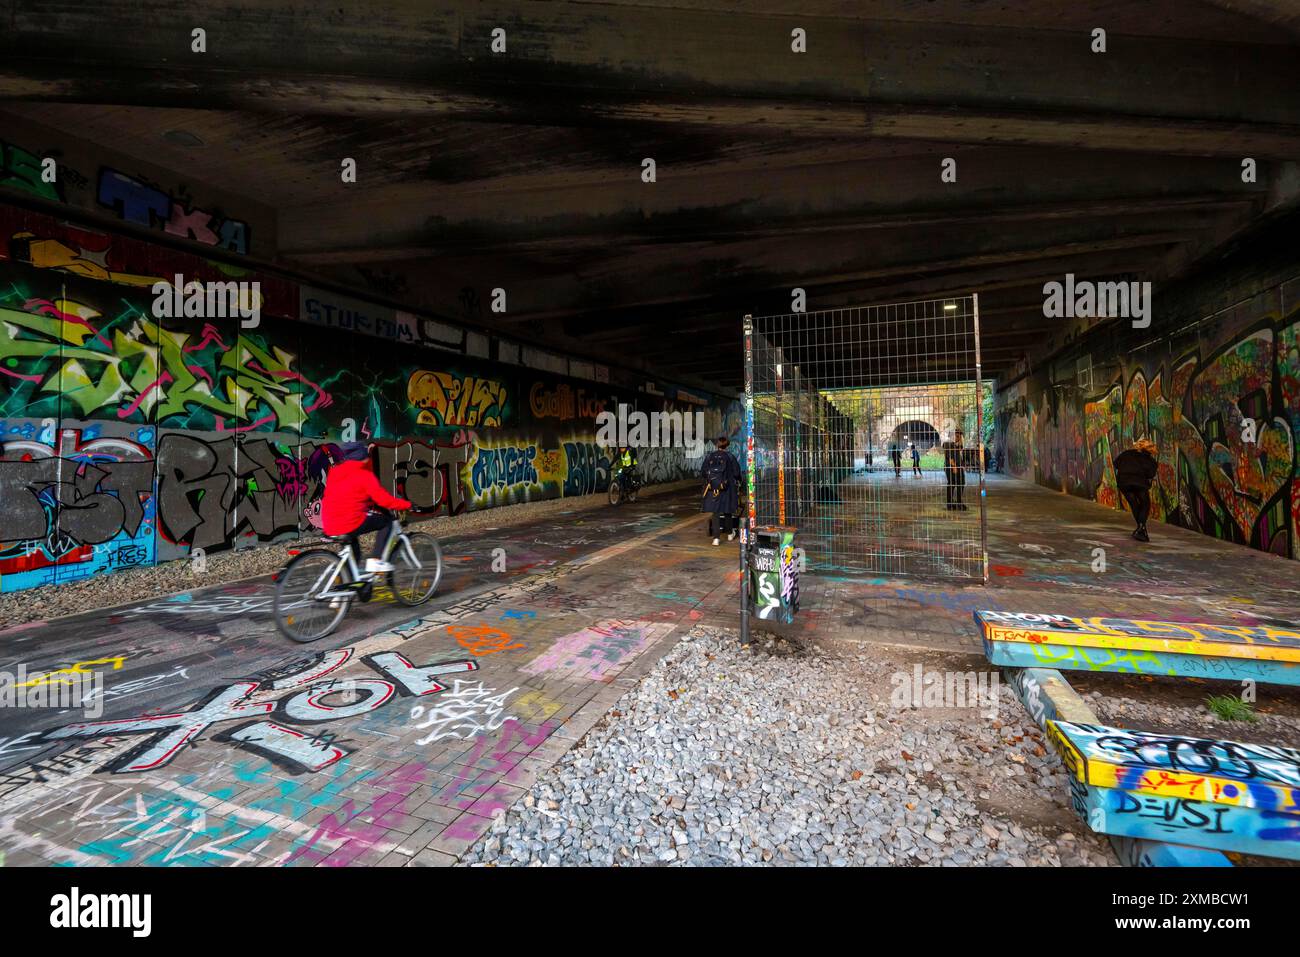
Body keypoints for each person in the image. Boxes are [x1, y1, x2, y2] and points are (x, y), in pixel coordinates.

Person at [320, 442, 413, 573]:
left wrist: (365, 457)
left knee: (354, 553)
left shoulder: (335, 471)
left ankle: (346, 580)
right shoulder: (365, 476)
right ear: (364, 457)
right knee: (387, 521)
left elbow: (353, 486)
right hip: (349, 522)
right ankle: (376, 560)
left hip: (330, 523)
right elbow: (384, 500)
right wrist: (407, 505)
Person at [1114, 438, 1159, 542]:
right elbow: (1150, 475)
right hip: (1139, 483)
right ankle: (1141, 528)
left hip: (1124, 482)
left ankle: (1141, 529)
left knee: (1134, 504)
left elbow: (1116, 464)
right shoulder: (1151, 461)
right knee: (1145, 504)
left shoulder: (1126, 453)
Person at [700, 436, 742, 545]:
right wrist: (739, 481)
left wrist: (713, 480)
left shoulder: (709, 456)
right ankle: (729, 534)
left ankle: (716, 538)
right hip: (727, 488)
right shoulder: (730, 456)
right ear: (727, 445)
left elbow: (703, 472)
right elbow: (737, 473)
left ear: (717, 445)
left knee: (716, 512)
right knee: (727, 511)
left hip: (713, 489)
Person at [941, 429, 967, 510]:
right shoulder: (947, 443)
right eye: (958, 435)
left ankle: (959, 502)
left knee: (961, 483)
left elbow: (961, 449)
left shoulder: (956, 444)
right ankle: (950, 504)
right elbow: (949, 456)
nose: (959, 437)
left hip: (958, 467)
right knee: (952, 484)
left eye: (960, 435)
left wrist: (960, 440)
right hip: (951, 467)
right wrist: (954, 466)